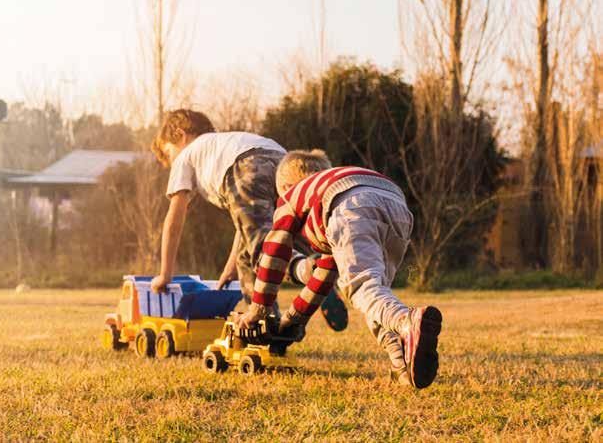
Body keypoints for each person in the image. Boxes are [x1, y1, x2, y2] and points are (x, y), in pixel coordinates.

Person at [236, 150, 443, 388]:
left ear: (284, 185)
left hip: (352, 205)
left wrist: (258, 308)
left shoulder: (293, 194)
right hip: (398, 206)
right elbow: (323, 275)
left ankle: (406, 321)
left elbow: (274, 248)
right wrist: (292, 321)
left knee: (361, 287)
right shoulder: (327, 187)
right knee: (374, 295)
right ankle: (402, 366)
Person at [148, 109, 285, 303]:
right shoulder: (224, 144)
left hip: (246, 165)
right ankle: (313, 273)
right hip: (283, 159)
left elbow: (174, 220)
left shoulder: (186, 154)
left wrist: (165, 275)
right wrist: (231, 268)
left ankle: (265, 321)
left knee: (261, 253)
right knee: (257, 249)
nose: (172, 163)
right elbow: (246, 226)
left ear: (180, 134)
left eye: (169, 154)